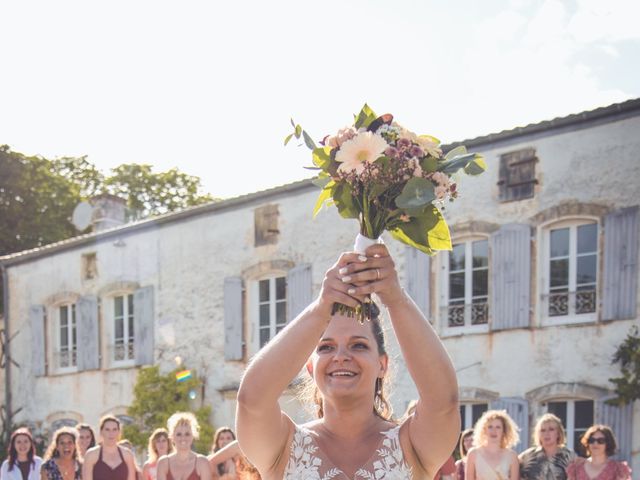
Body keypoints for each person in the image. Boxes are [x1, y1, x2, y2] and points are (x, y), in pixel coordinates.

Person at [236, 244, 460, 480]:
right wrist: (321, 308)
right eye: (326, 347)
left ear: (382, 365)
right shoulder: (282, 447)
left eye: (359, 345)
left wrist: (396, 299)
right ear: (311, 368)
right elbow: (252, 401)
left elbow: (443, 402)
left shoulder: (413, 445)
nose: (341, 356)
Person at [466, 409, 520, 480]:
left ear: (504, 431)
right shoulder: (473, 454)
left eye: (498, 427)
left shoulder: (512, 456)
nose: (493, 431)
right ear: (484, 430)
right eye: (490, 427)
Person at [518, 413, 575, 480]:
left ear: (558, 433)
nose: (546, 433)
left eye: (551, 429)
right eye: (543, 430)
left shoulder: (569, 457)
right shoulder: (526, 456)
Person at [156, 412, 212, 480]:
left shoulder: (202, 462)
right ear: (172, 437)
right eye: (179, 434)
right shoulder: (163, 463)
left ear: (193, 436)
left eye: (187, 434)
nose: (183, 438)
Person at [82, 414, 137, 480]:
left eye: (114, 429)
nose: (111, 433)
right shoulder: (91, 455)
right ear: (101, 432)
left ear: (119, 432)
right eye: (107, 430)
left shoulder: (127, 455)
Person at [566, 425, 631, 480]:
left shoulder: (618, 469)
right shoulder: (576, 468)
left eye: (601, 440)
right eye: (591, 440)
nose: (595, 443)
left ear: (608, 443)